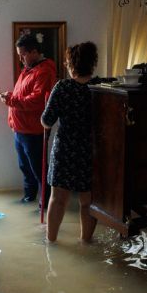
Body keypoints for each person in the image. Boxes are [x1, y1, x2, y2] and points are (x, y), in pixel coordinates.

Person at [40, 41, 98, 243]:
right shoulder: (99, 88)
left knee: (57, 199)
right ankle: (86, 242)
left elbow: (47, 121)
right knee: (87, 202)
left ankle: (51, 242)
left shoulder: (63, 87)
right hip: (89, 151)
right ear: (93, 63)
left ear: (71, 64)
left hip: (65, 149)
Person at [0, 33, 57, 205]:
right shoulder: (27, 70)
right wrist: (10, 96)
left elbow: (37, 101)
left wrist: (11, 100)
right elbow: (23, 96)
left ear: (34, 52)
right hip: (21, 129)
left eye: (23, 55)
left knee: (39, 169)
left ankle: (46, 204)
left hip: (33, 131)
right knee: (25, 167)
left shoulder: (44, 71)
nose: (21, 59)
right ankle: (29, 198)